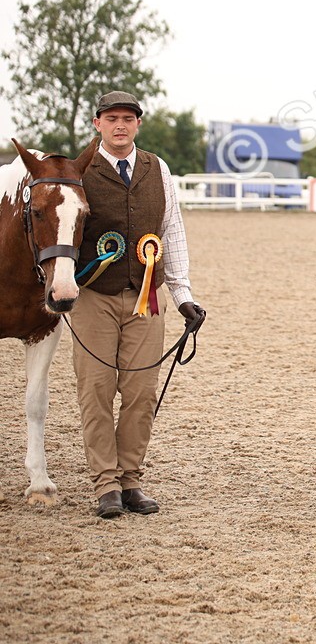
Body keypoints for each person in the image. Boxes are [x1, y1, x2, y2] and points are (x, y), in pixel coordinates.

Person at [74, 91, 204, 519]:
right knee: (96, 389)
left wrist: (183, 296)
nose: (120, 125)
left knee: (142, 391)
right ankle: (105, 483)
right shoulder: (80, 169)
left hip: (146, 298)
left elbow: (171, 230)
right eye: (111, 118)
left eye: (127, 119)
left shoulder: (157, 168)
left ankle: (130, 479)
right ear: (97, 123)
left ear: (138, 124)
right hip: (93, 296)